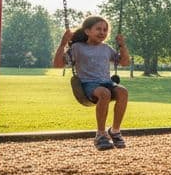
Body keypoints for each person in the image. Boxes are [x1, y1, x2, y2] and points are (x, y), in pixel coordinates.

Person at [53, 15, 131, 150]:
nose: (102, 32)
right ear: (87, 31)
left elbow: (124, 62)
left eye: (105, 30)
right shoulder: (77, 47)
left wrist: (122, 45)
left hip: (107, 82)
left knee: (123, 92)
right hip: (88, 85)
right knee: (104, 93)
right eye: (98, 29)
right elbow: (58, 64)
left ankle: (115, 131)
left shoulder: (106, 48)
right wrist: (62, 44)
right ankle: (100, 135)